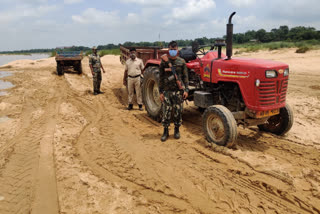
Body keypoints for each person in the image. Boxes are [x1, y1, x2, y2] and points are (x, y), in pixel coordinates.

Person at [159, 41, 189, 142]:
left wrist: (186, 90)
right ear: (168, 50)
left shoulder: (182, 62)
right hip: (167, 91)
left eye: (174, 49)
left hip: (178, 92)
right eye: (171, 49)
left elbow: (185, 78)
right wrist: (161, 92)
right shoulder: (164, 62)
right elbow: (161, 78)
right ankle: (165, 131)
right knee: (166, 112)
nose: (172, 51)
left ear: (177, 50)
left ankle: (176, 130)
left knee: (178, 112)